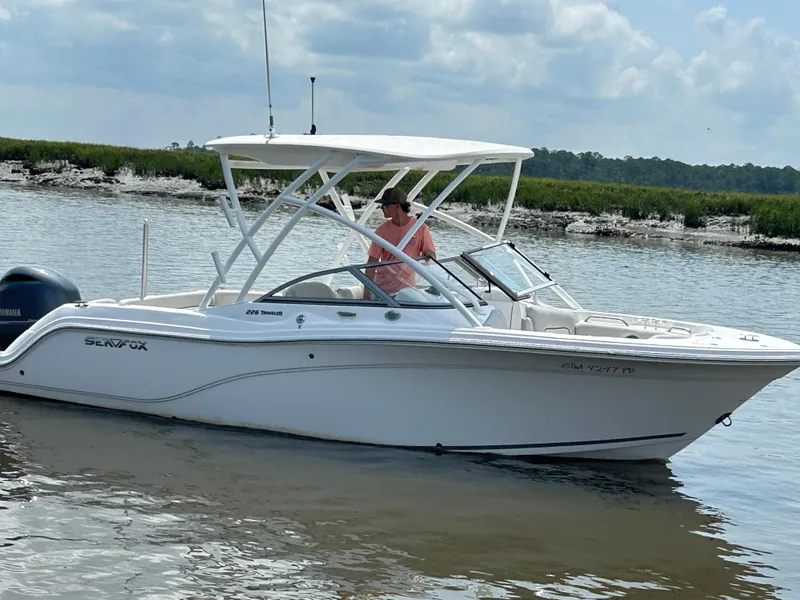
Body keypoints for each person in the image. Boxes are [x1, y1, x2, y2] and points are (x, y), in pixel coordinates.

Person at [364, 187, 436, 298]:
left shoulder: (420, 228)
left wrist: (428, 255)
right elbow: (371, 265)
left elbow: (432, 256)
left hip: (407, 291)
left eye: (385, 205)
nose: (382, 208)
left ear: (398, 206)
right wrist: (366, 297)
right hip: (381, 291)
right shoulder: (381, 231)